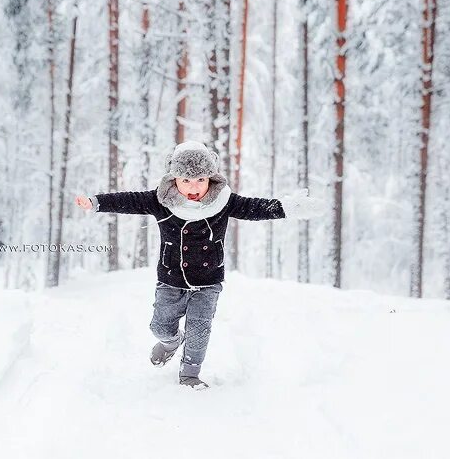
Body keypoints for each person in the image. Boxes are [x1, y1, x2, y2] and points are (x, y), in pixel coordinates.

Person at [75, 140, 323, 389]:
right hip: (171, 279)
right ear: (174, 179)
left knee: (199, 330)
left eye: (200, 180)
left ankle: (190, 374)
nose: (193, 187)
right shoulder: (161, 200)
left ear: (210, 178)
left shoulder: (223, 201)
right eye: (186, 180)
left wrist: (288, 207)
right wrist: (96, 202)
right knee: (160, 327)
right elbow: (129, 200)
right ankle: (171, 342)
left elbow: (254, 208)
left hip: (208, 280)